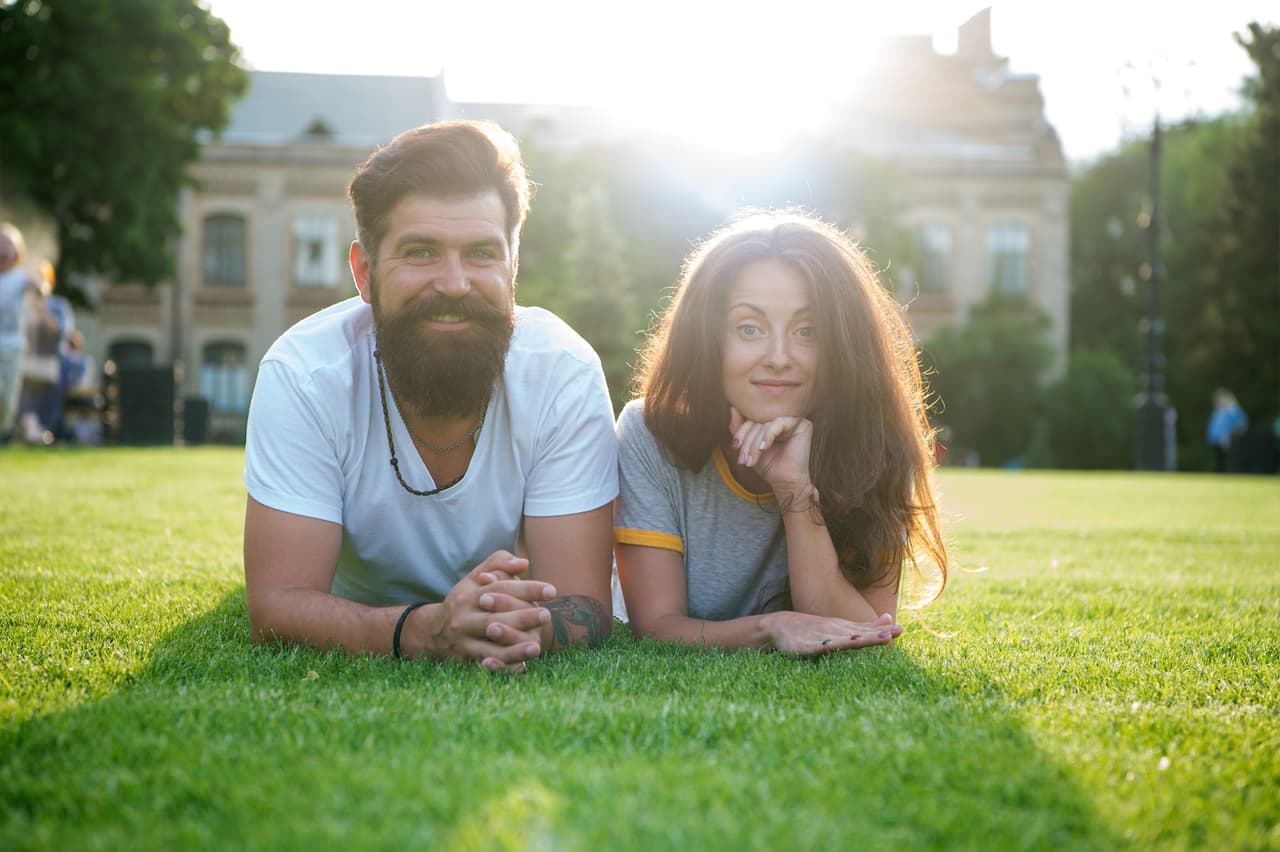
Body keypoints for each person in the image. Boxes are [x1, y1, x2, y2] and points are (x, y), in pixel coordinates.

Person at [243, 121, 618, 672]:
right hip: (360, 609)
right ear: (364, 272)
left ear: (513, 267)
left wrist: (497, 625)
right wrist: (425, 631)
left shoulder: (563, 371)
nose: (454, 283)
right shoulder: (303, 374)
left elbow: (585, 603)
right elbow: (277, 608)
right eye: (421, 252)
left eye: (481, 253)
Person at [614, 211, 947, 655]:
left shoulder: (876, 442)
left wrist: (796, 492)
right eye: (749, 329)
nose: (778, 357)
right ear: (708, 339)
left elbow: (868, 635)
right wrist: (772, 627)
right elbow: (657, 625)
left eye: (807, 331)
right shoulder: (649, 432)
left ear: (844, 344)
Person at [0, 223, 40, 442]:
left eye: (8, 244)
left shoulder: (21, 277)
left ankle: (5, 428)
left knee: (8, 398)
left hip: (13, 346)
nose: (3, 249)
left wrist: (41, 287)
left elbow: (39, 287)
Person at [1206, 388, 1248, 473]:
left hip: (1226, 440)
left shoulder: (1231, 411)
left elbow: (1241, 423)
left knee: (1226, 460)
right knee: (1219, 460)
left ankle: (1227, 473)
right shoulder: (1218, 411)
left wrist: (1227, 436)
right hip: (1216, 440)